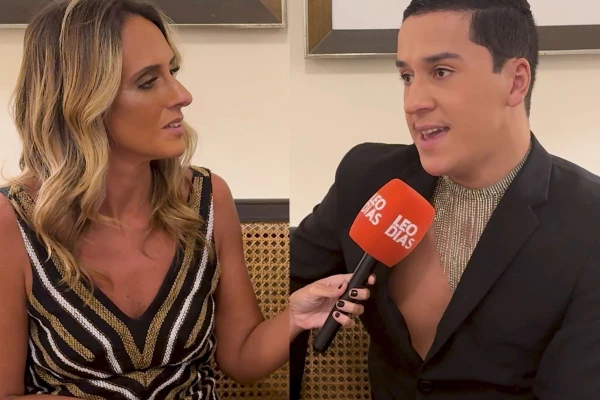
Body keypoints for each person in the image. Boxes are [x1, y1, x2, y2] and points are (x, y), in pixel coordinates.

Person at [0, 0, 373, 398]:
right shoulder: (14, 222)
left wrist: (295, 317)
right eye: (148, 81)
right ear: (81, 102)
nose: (183, 95)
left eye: (173, 72)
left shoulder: (207, 199)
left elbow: (241, 357)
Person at [290, 0, 600, 399]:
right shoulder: (366, 178)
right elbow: (284, 295)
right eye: (406, 76)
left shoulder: (589, 222)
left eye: (441, 72)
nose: (412, 102)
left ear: (515, 82)